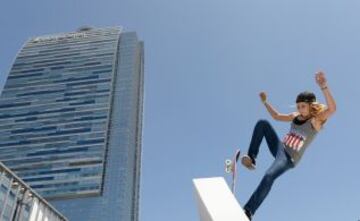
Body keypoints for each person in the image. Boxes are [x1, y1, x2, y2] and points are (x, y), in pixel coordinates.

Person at [241, 71, 336, 220]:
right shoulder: (295, 116)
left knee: (268, 176)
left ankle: (248, 211)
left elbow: (332, 110)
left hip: (289, 158)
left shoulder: (315, 121)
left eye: (303, 106)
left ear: (311, 106)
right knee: (263, 123)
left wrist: (324, 86)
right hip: (280, 148)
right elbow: (276, 116)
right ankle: (252, 158)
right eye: (298, 106)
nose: (299, 109)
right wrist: (265, 102)